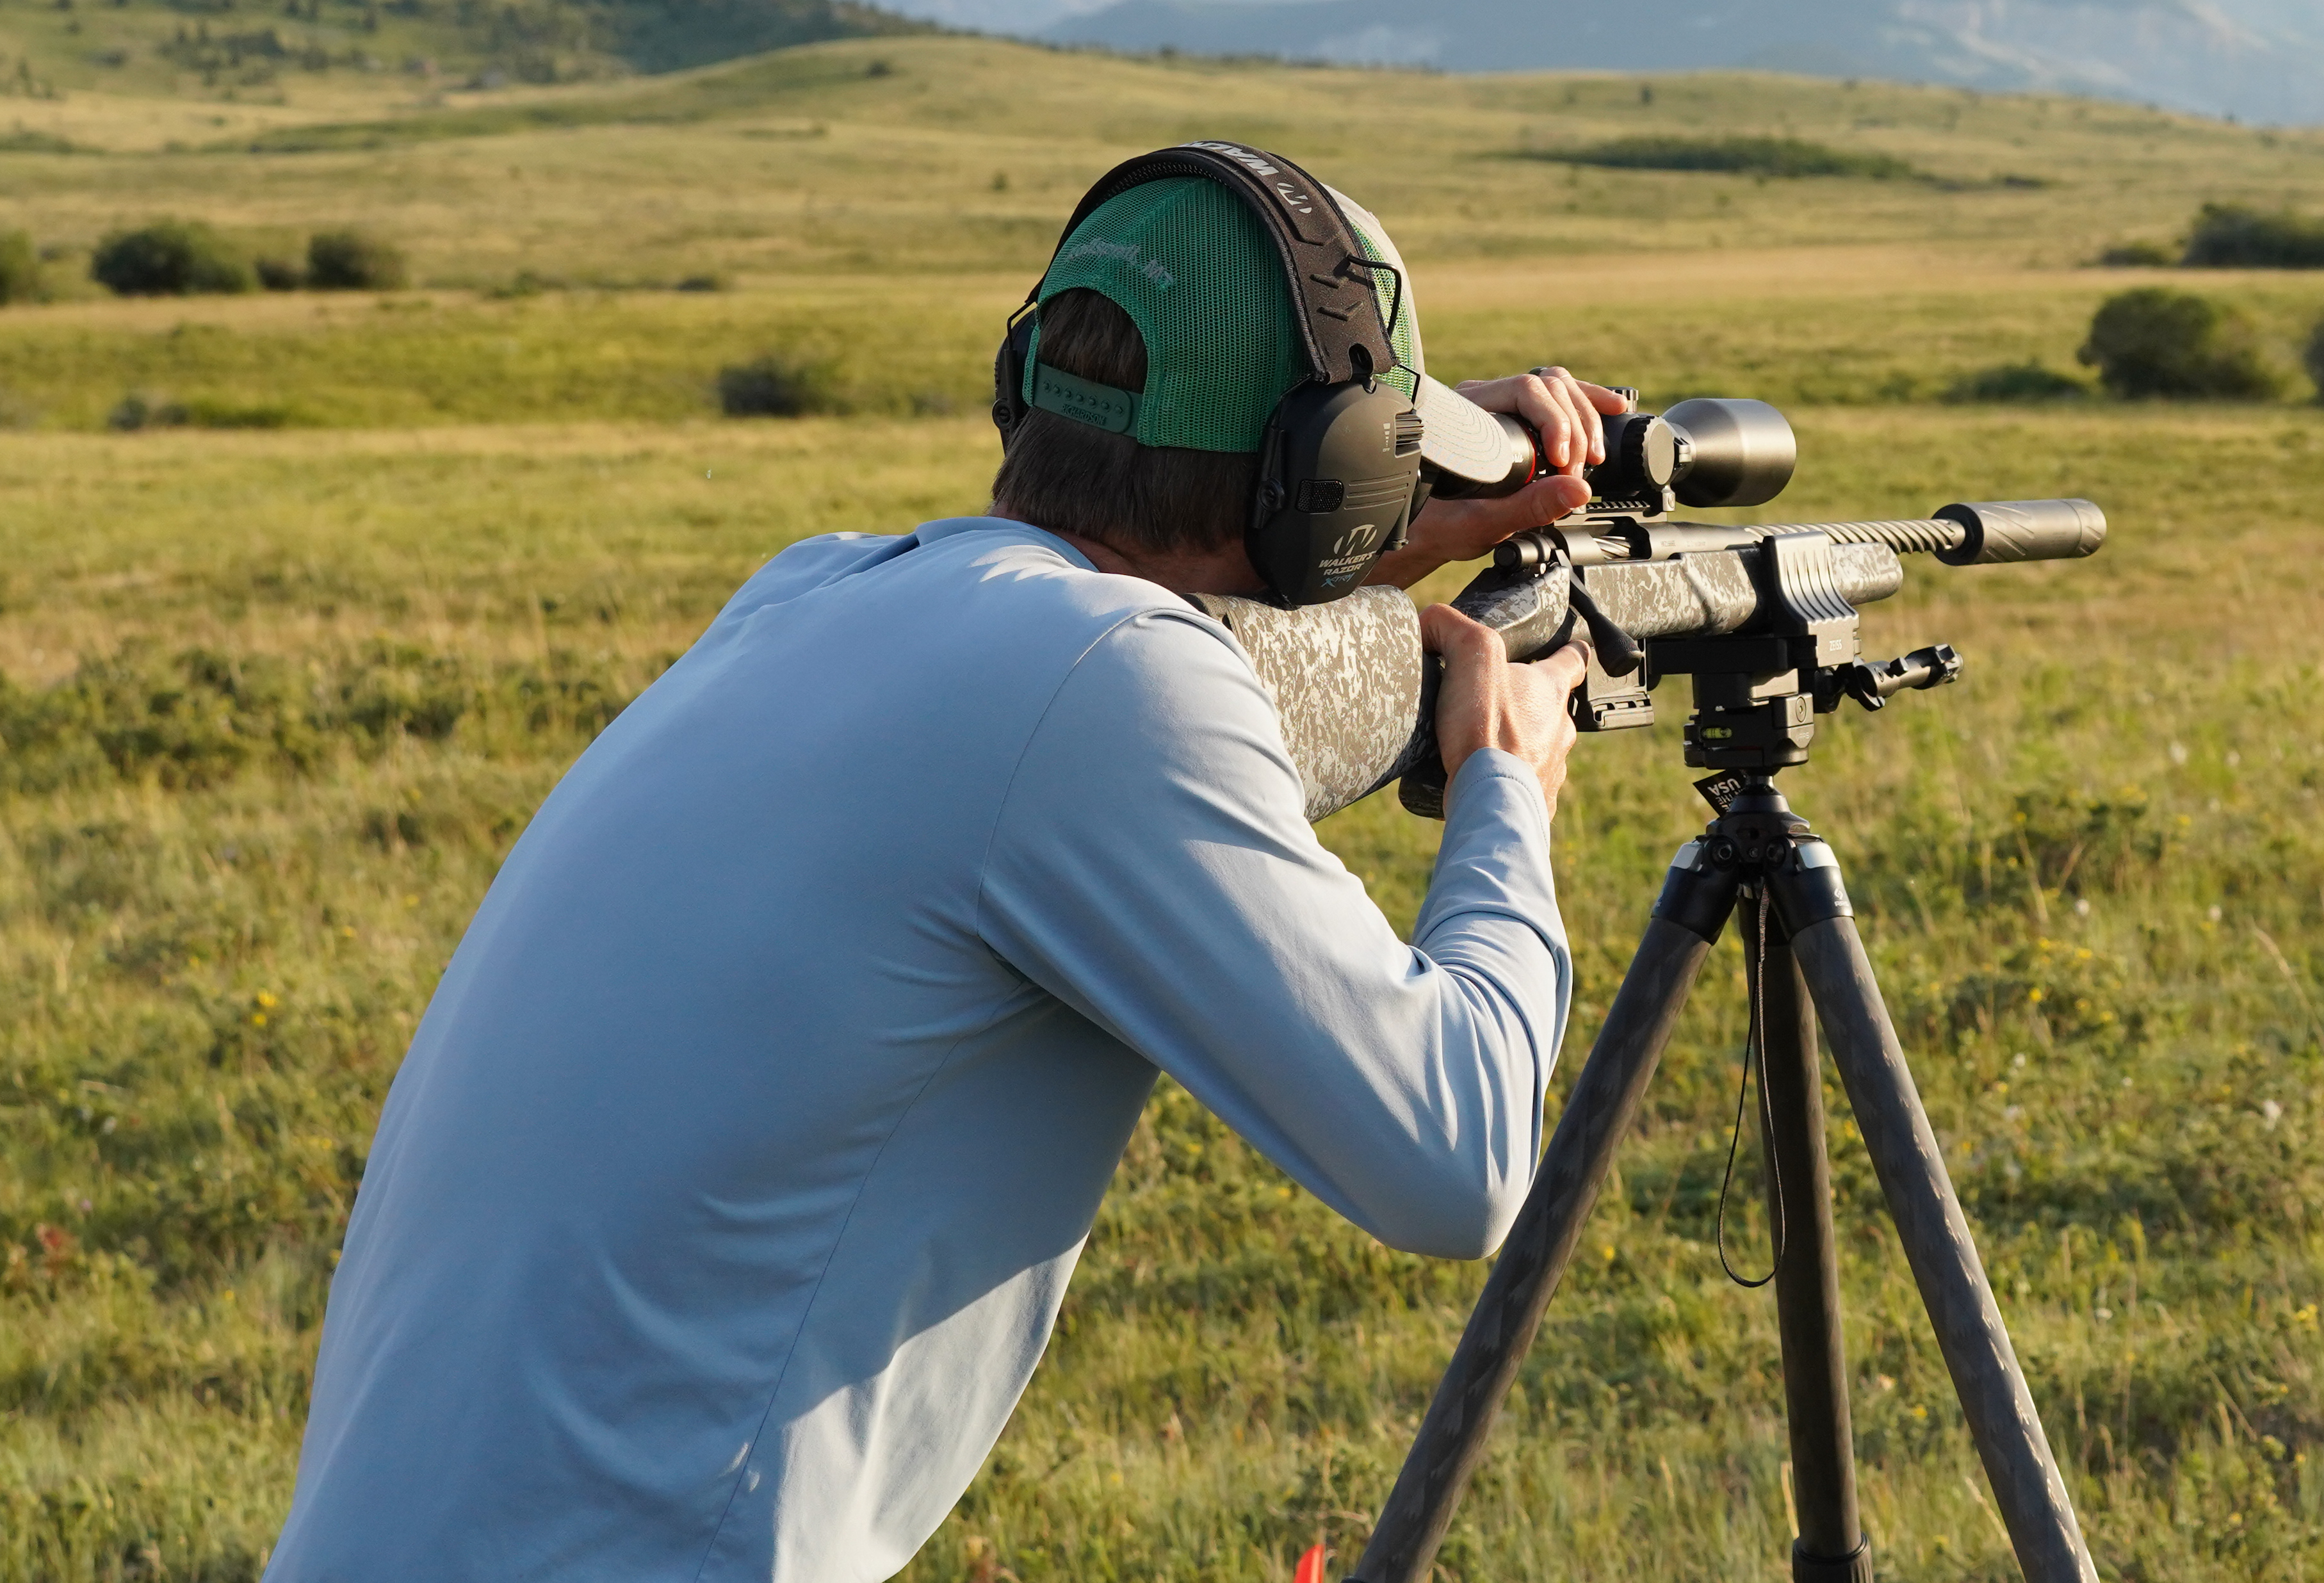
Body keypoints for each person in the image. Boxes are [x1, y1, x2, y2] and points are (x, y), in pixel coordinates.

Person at [268, 161, 1627, 1580]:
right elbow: (1453, 1163)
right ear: (1326, 472)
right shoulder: (1108, 685)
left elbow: (1122, 674)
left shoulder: (812, 594)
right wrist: (1504, 789)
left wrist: (1357, 540)